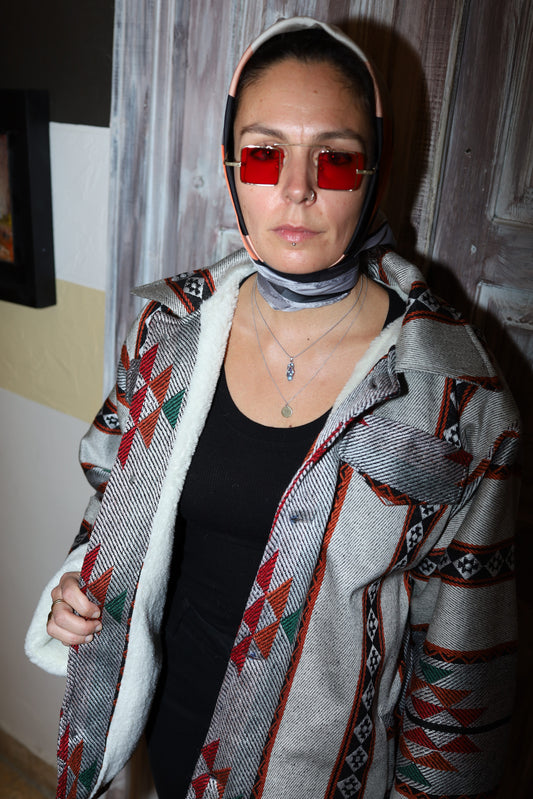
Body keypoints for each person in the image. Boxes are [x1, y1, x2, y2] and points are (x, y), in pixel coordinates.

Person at [25, 16, 520, 799]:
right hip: (162, 740)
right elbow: (111, 492)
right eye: (264, 153)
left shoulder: (456, 402)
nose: (297, 188)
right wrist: (80, 583)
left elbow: (460, 676)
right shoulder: (168, 331)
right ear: (231, 168)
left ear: (376, 172)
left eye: (335, 157)